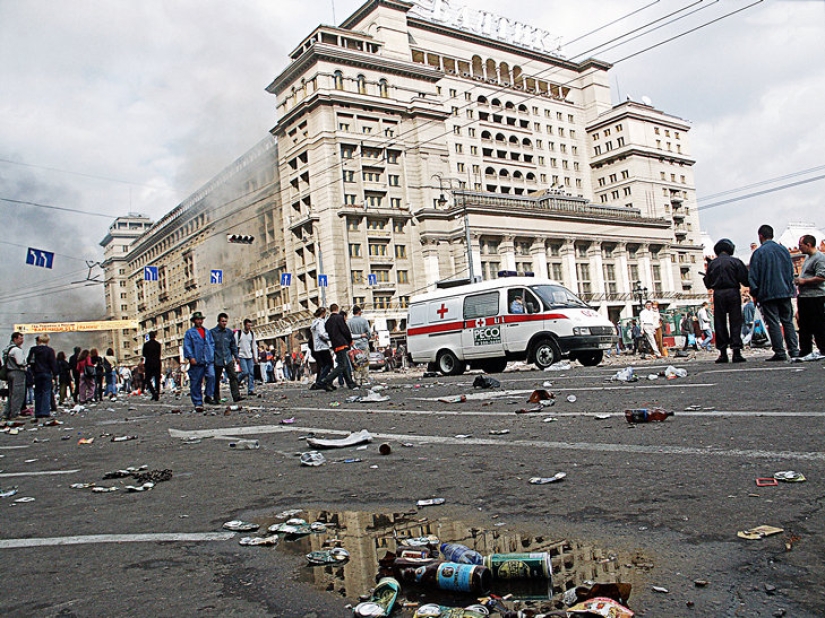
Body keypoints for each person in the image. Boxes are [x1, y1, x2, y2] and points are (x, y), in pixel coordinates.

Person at [748, 224, 800, 361]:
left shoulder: (758, 253)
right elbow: (790, 272)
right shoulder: (783, 250)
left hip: (767, 294)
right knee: (788, 321)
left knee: (773, 323)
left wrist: (755, 293)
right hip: (785, 292)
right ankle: (794, 350)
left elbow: (753, 276)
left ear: (760, 236)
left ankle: (780, 352)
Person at [703, 238, 749, 363]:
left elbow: (708, 284)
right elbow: (746, 280)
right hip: (733, 292)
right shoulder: (736, 262)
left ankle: (723, 353)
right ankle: (736, 352)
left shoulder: (712, 264)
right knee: (735, 322)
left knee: (719, 322)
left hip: (718, 294)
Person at [794, 234, 825, 361]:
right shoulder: (807, 258)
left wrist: (804, 281)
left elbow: (821, 277)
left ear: (808, 244)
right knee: (804, 325)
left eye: (800, 245)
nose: (799, 247)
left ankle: (823, 348)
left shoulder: (820, 258)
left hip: (816, 296)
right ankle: (805, 350)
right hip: (804, 296)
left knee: (818, 324)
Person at [317, 303, 357, 391]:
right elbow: (345, 330)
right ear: (337, 309)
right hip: (342, 343)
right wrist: (350, 340)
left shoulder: (328, 321)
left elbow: (327, 333)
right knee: (342, 365)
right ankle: (326, 380)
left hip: (334, 345)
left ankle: (351, 383)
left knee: (344, 364)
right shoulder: (339, 318)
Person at [182, 311, 215, 412]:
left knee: (212, 376)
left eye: (201, 319)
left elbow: (212, 344)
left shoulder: (207, 332)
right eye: (197, 319)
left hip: (208, 359)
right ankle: (198, 402)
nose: (199, 321)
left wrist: (212, 354)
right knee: (196, 382)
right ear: (194, 321)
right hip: (197, 360)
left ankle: (208, 395)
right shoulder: (190, 333)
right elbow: (187, 346)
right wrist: (191, 357)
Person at [210, 312, 243, 403]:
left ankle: (236, 396)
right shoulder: (212, 333)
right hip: (217, 359)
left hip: (228, 358)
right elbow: (209, 347)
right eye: (222, 321)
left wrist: (236, 356)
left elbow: (233, 346)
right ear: (218, 321)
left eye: (225, 321)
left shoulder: (229, 332)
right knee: (216, 379)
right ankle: (216, 398)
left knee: (233, 377)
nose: (224, 323)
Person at [27, 334, 57, 419]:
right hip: (47, 373)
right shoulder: (50, 350)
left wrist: (33, 371)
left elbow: (29, 361)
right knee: (46, 392)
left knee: (38, 392)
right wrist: (55, 373)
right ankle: (45, 411)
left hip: (37, 373)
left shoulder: (33, 350)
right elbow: (53, 363)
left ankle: (38, 412)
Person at [3, 332, 27, 420]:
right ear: (15, 339)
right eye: (20, 338)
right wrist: (25, 364)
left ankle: (7, 413)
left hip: (9, 372)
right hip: (17, 372)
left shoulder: (7, 349)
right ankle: (15, 413)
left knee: (11, 394)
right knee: (18, 393)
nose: (22, 340)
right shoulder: (17, 350)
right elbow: (20, 362)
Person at [309, 307, 333, 390]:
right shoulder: (320, 322)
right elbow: (322, 334)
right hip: (323, 346)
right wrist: (330, 337)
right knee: (329, 364)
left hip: (317, 347)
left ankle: (323, 381)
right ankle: (321, 381)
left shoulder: (314, 322)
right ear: (323, 313)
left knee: (323, 365)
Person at [347, 305, 371, 385]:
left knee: (356, 363)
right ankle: (364, 380)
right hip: (364, 344)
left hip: (354, 346)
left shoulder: (349, 322)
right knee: (365, 363)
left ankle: (357, 380)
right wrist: (367, 338)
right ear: (359, 312)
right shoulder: (364, 321)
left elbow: (348, 334)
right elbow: (368, 333)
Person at [235, 319, 257, 396]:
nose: (249, 327)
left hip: (249, 356)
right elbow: (235, 346)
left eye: (250, 325)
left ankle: (250, 390)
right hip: (241, 356)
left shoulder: (252, 334)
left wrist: (255, 357)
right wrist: (236, 357)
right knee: (245, 372)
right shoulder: (238, 334)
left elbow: (254, 346)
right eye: (248, 325)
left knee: (251, 373)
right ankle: (237, 381)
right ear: (244, 325)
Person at [142, 331, 162, 401]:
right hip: (157, 363)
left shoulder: (146, 345)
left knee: (148, 379)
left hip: (149, 363)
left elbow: (144, 354)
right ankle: (157, 393)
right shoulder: (158, 344)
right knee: (157, 379)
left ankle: (153, 392)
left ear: (149, 336)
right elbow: (159, 353)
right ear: (155, 336)